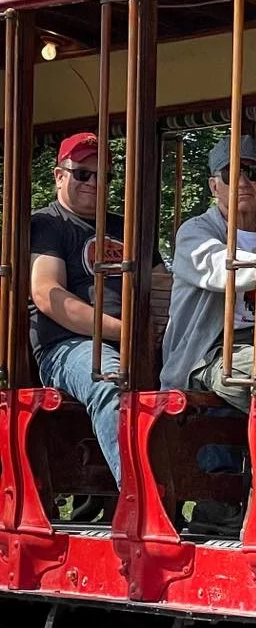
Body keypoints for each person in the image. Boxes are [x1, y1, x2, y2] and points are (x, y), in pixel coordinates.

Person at [162, 133, 256, 408]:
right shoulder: (195, 233)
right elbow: (221, 267)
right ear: (214, 186)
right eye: (231, 174)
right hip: (206, 353)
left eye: (252, 172)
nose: (242, 182)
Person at [29, 132, 127, 495]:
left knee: (203, 380)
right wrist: (121, 331)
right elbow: (47, 294)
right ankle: (139, 504)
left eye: (103, 176)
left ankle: (217, 509)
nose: (93, 183)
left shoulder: (129, 225)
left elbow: (164, 286)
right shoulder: (48, 224)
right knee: (110, 382)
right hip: (69, 347)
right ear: (59, 176)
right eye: (82, 173)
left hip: (140, 344)